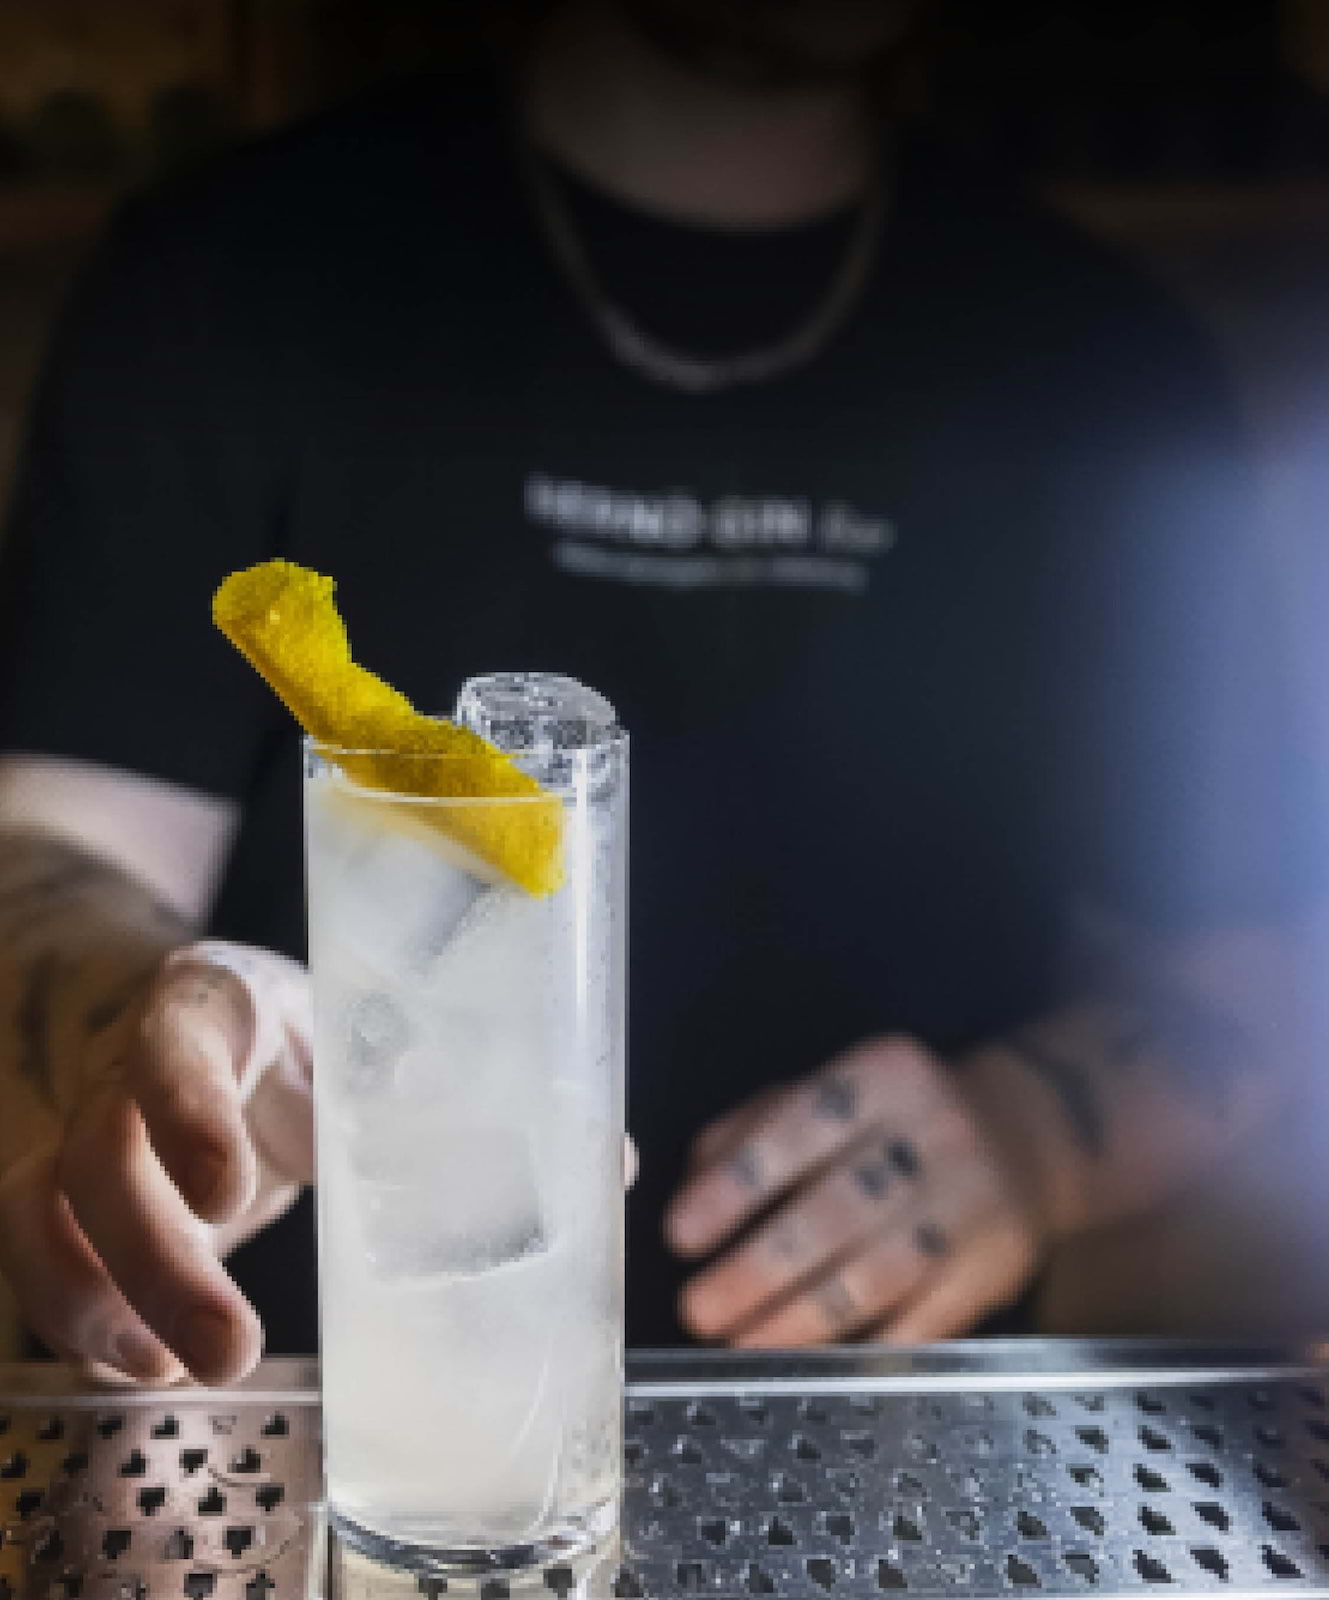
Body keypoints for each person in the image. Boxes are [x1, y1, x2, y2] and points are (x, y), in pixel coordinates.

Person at [0, 0, 1322, 1386]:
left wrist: (1034, 1136)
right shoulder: (230, 273)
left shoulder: (1104, 357)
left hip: (878, 1425)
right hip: (291, 1399)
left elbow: (1256, 972)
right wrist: (158, 1028)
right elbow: (51, 855)